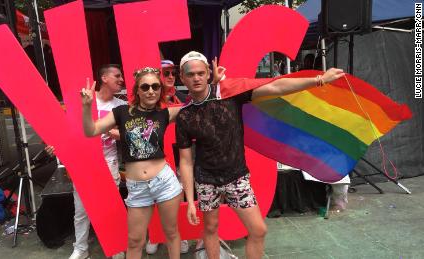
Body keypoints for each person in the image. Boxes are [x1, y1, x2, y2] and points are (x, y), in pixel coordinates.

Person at [176, 51, 345, 259]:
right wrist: (190, 201)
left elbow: (274, 87)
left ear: (208, 73)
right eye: (190, 74)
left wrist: (319, 80)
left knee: (258, 230)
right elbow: (185, 161)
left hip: (236, 176)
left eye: (200, 73)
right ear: (182, 78)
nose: (196, 78)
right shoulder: (185, 115)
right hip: (206, 180)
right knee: (210, 229)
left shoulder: (229, 91)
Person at [82, 67, 183, 259]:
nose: (151, 91)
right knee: (135, 241)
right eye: (145, 87)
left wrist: (214, 83)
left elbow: (198, 103)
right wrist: (87, 107)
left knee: (171, 233)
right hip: (137, 187)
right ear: (137, 90)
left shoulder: (165, 114)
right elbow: (91, 131)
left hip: (164, 182)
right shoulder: (121, 112)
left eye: (155, 86)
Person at [69, 64, 127, 259]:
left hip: (108, 161)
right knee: (81, 209)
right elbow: (72, 131)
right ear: (104, 78)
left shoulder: (120, 106)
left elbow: (128, 135)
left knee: (111, 207)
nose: (121, 80)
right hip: (84, 162)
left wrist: (108, 131)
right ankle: (81, 249)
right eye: (117, 76)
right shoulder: (86, 100)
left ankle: (116, 245)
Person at [145, 60, 189, 255]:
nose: (170, 77)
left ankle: (182, 235)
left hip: (181, 157)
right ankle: (156, 235)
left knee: (178, 198)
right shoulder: (148, 102)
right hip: (157, 160)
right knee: (153, 198)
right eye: (166, 73)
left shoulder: (183, 97)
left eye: (173, 73)